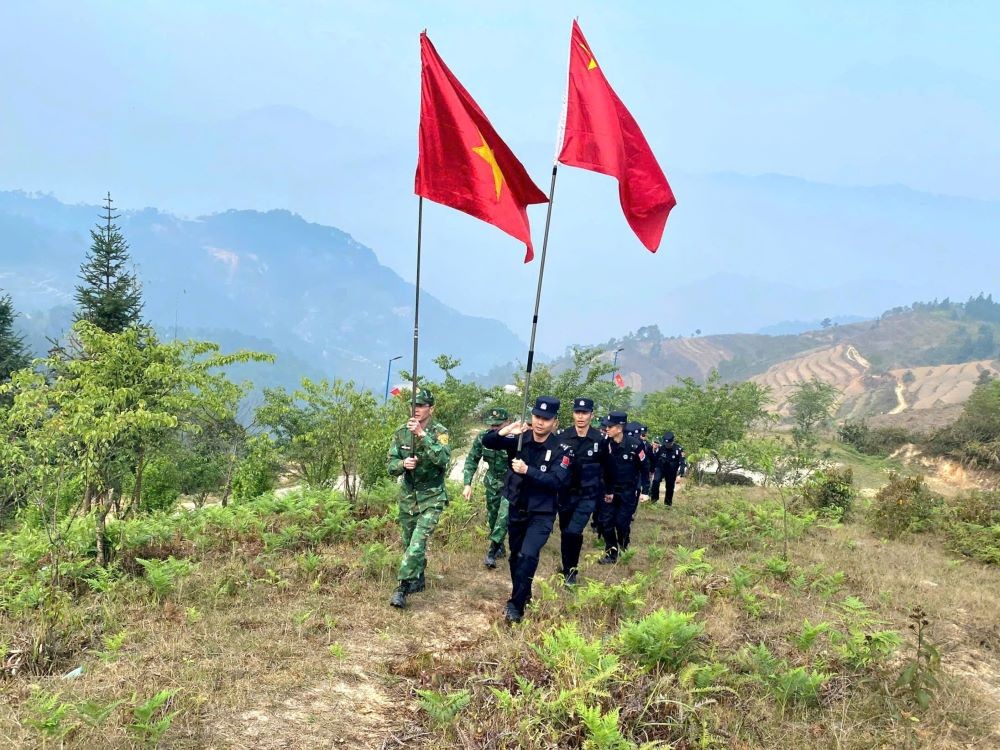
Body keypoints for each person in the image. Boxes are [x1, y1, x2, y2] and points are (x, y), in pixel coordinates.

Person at [483, 396, 572, 623]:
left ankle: (515, 605)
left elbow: (556, 481)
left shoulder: (561, 449)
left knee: (528, 555)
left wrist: (527, 470)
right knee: (515, 557)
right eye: (537, 417)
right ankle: (523, 593)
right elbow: (488, 442)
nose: (540, 422)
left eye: (546, 419)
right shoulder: (520, 439)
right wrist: (506, 430)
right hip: (518, 507)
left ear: (555, 422)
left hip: (542, 512)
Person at [386, 388, 451, 609]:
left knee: (418, 541)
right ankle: (418, 578)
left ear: (431, 409)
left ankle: (402, 587)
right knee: (408, 542)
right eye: (413, 405)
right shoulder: (401, 432)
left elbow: (443, 459)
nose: (416, 409)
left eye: (421, 405)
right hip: (408, 496)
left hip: (432, 496)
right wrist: (402, 464)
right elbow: (390, 465)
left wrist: (422, 435)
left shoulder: (440, 432)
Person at [556, 397, 607, 586]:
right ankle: (566, 567)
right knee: (565, 531)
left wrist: (607, 491)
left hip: (587, 495)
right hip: (565, 494)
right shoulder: (562, 437)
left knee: (574, 531)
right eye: (577, 412)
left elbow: (607, 467)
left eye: (584, 413)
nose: (580, 416)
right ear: (573, 414)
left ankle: (571, 571)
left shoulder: (600, 439)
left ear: (591, 415)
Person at [598, 411, 649, 564]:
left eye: (610, 426)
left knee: (622, 523)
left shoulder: (635, 445)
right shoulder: (604, 444)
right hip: (609, 490)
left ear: (619, 428)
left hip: (628, 491)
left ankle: (624, 546)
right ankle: (611, 553)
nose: (607, 429)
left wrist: (645, 490)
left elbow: (644, 468)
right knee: (606, 523)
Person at [463, 407, 512, 568]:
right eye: (492, 425)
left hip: (511, 482)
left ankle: (492, 551)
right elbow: (472, 459)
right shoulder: (483, 437)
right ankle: (500, 547)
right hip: (492, 482)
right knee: (493, 517)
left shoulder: (516, 439)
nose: (494, 428)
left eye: (498, 425)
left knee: (503, 516)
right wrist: (467, 483)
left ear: (508, 422)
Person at [651, 431, 686, 506]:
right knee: (655, 481)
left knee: (669, 487)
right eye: (666, 443)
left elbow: (683, 462)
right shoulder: (661, 448)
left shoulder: (678, 449)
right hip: (661, 468)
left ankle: (667, 504)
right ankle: (653, 500)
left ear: (672, 441)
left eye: (669, 444)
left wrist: (680, 474)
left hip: (671, 471)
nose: (667, 445)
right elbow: (655, 458)